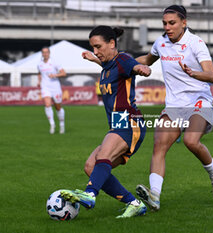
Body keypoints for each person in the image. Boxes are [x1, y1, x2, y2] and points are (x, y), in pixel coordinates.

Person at [134, 5, 213, 211]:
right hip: (174, 105)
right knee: (159, 145)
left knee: (191, 141)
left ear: (184, 23)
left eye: (172, 23)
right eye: (164, 23)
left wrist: (193, 73)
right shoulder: (161, 43)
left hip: (198, 101)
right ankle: (154, 195)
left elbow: (211, 75)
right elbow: (147, 60)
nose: (167, 27)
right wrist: (123, 62)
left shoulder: (196, 43)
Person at [60, 25, 152, 218]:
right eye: (93, 47)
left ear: (112, 43)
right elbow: (110, 67)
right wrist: (95, 60)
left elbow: (131, 66)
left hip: (128, 120)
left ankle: (90, 194)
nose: (96, 51)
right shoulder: (109, 65)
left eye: (98, 47)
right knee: (90, 167)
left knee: (103, 155)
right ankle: (134, 204)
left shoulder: (124, 59)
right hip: (118, 123)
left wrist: (140, 68)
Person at [37, 47, 67, 134]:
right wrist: (39, 81)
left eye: (46, 52)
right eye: (43, 52)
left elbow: (64, 73)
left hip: (55, 87)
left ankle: (62, 124)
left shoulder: (54, 62)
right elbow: (39, 73)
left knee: (58, 107)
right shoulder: (40, 64)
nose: (45, 54)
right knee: (47, 105)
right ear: (42, 54)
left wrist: (55, 75)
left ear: (49, 53)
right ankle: (52, 124)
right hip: (45, 87)